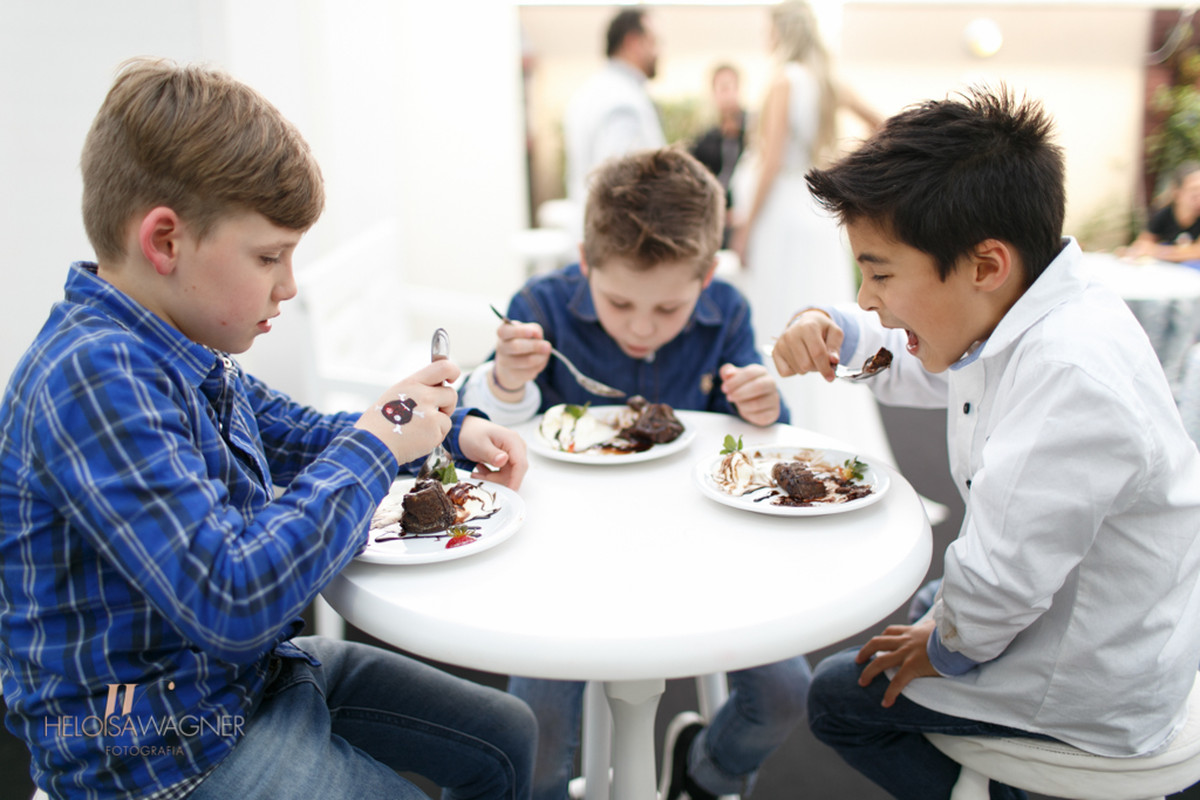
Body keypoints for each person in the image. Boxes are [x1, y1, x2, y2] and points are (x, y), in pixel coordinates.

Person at [0, 58, 537, 800]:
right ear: (165, 242)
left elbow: (299, 433)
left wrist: (446, 432)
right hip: (157, 753)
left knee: (506, 736)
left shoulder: (176, 346)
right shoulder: (95, 376)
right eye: (268, 256)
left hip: (238, 687)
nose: (287, 286)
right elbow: (234, 599)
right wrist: (378, 444)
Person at [770, 86, 1200, 800]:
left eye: (878, 271)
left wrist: (944, 647)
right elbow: (924, 358)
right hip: (1089, 608)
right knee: (925, 607)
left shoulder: (1070, 378)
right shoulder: (1027, 309)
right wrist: (837, 331)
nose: (867, 294)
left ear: (985, 265)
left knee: (837, 697)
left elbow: (1000, 586)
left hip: (1091, 679)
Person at [460, 148, 810, 800]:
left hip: (698, 546)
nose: (642, 329)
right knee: (532, 746)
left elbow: (763, 435)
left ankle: (705, 772)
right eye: (620, 303)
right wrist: (509, 381)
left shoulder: (726, 313)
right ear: (586, 262)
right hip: (565, 556)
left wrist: (765, 406)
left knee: (788, 695)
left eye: (669, 310)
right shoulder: (541, 308)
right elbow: (473, 427)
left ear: (705, 277)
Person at [729, 0, 881, 336]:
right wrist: (846, 168)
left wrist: (745, 228)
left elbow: (771, 162)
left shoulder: (785, 81)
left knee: (778, 308)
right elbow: (882, 125)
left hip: (781, 212)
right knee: (819, 304)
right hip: (817, 209)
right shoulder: (828, 83)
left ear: (782, 33)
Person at [562, 8, 666, 239]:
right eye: (654, 42)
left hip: (596, 241)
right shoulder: (623, 101)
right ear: (632, 42)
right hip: (618, 247)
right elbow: (623, 190)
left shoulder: (590, 91)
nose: (659, 52)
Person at [690, 64, 748, 247]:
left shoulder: (753, 132)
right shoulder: (706, 139)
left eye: (731, 87)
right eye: (722, 88)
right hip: (716, 221)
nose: (727, 94)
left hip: (745, 219)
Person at [1121, 160, 1200, 262]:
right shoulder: (1164, 215)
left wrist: (1155, 251)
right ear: (1177, 192)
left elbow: (1196, 252)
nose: (1198, 196)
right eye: (1194, 190)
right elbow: (1142, 244)